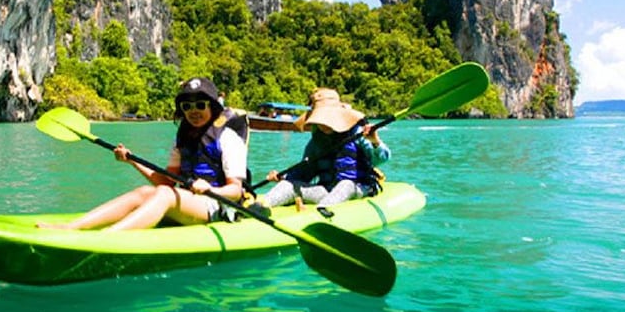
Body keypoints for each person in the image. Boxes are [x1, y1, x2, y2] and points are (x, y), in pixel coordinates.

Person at [40, 77, 249, 230]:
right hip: (190, 201)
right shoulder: (183, 138)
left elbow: (235, 191)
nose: (193, 110)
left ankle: (110, 237)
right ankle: (72, 227)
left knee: (165, 196)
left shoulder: (228, 138)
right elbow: (165, 182)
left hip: (218, 206)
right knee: (144, 192)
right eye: (187, 106)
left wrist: (206, 188)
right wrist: (131, 161)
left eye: (200, 105)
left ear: (212, 106)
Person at [257, 88, 389, 210]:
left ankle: (322, 212)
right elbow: (305, 172)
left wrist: (375, 141)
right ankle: (258, 209)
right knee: (289, 185)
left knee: (345, 185)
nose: (323, 124)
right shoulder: (316, 142)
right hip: (327, 190)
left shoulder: (357, 133)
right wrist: (282, 177)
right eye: (319, 120)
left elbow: (380, 159)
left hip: (358, 188)